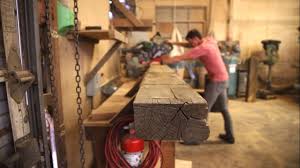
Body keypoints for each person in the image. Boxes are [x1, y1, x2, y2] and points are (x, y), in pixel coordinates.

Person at [161, 29, 235, 144]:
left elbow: (184, 56)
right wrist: (174, 43)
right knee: (224, 109)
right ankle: (230, 136)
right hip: (224, 78)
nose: (191, 45)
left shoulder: (203, 48)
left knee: (203, 109)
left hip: (216, 81)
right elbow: (189, 45)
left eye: (191, 42)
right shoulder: (208, 40)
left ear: (196, 39)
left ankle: (196, 138)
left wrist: (165, 60)